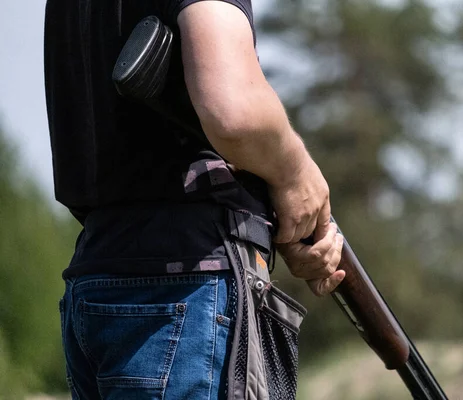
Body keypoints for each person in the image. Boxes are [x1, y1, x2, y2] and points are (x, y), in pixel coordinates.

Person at [44, 0, 345, 399]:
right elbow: (233, 111)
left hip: (99, 272)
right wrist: (297, 173)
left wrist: (275, 220)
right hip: (186, 290)